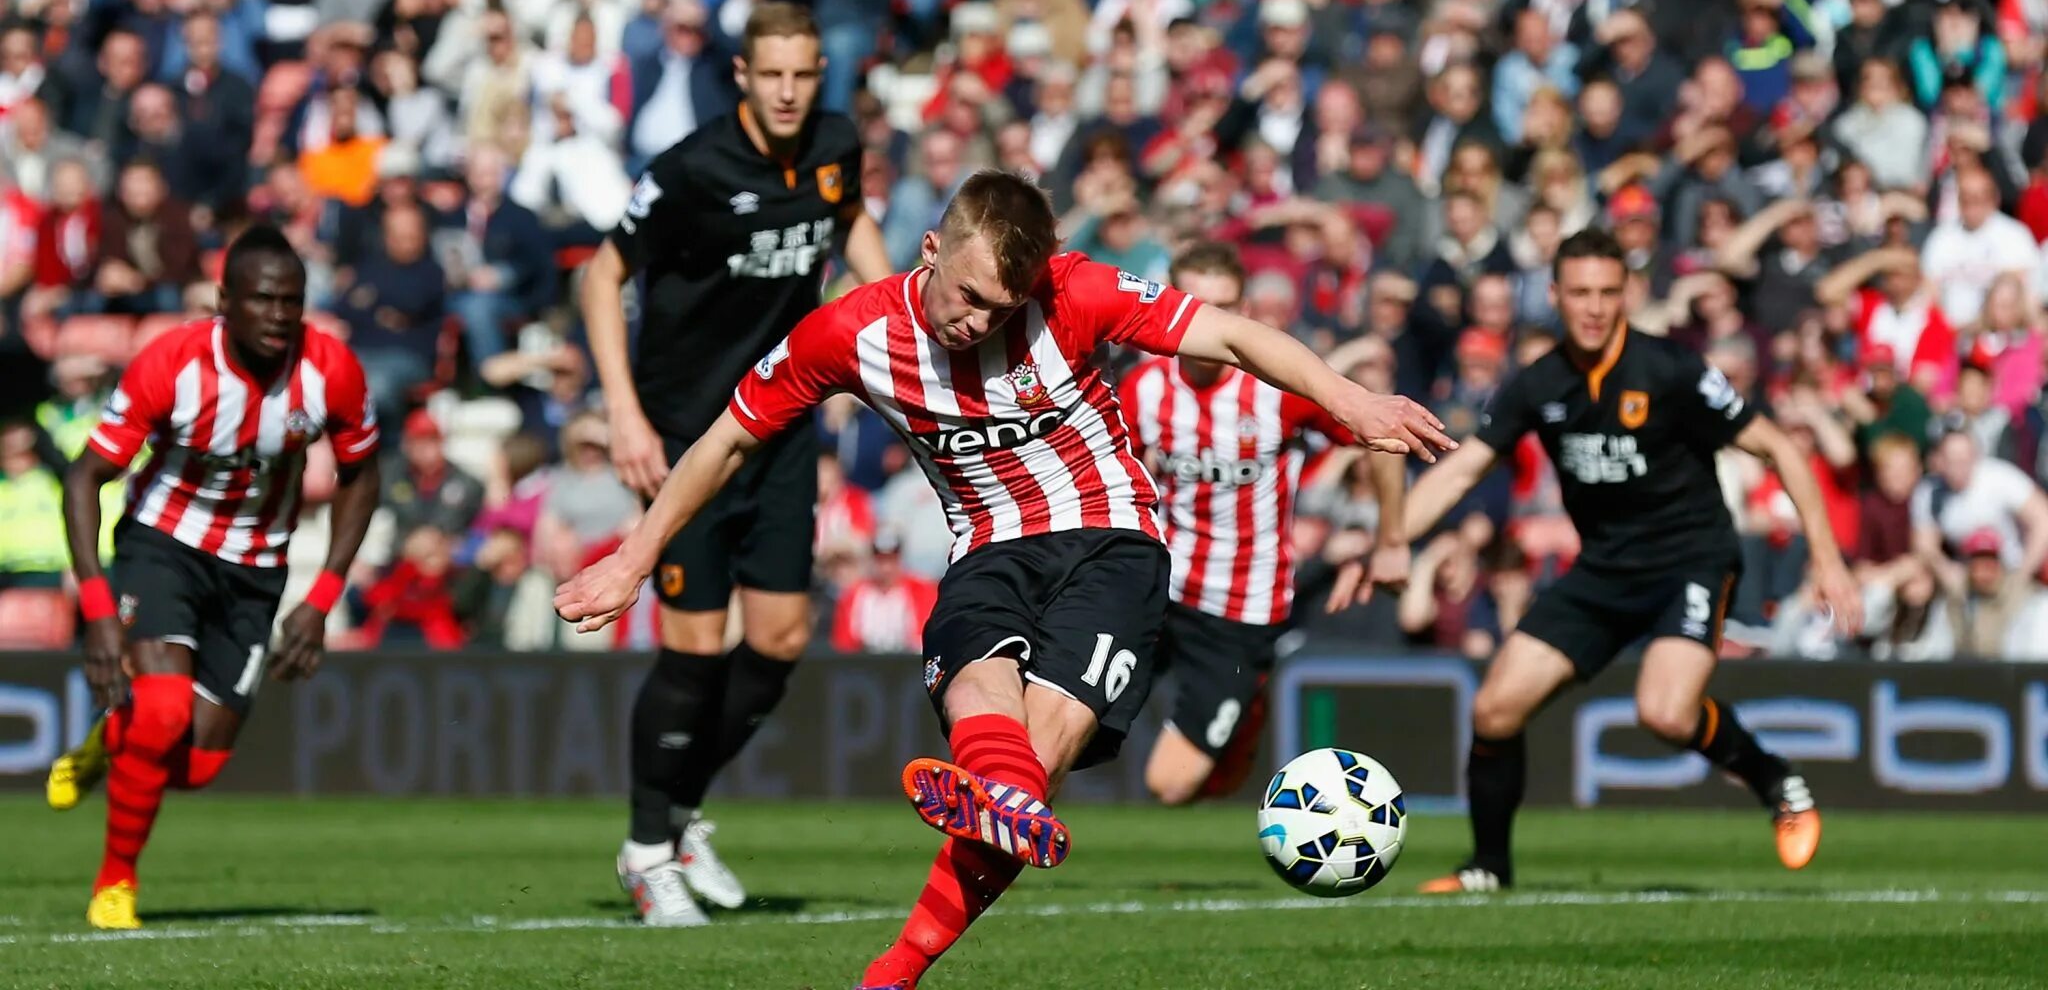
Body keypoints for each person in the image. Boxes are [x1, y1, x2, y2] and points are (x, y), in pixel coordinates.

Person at [554, 169, 1452, 988]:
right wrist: (634, 558)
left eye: (1003, 306)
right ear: (929, 250)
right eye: (970, 297)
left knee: (1040, 753)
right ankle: (994, 817)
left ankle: (901, 960)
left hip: (1111, 539)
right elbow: (729, 438)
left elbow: (1229, 333)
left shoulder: (1077, 290)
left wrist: (1349, 399)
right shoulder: (850, 332)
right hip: (985, 546)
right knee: (988, 714)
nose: (980, 321)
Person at [1335, 228, 1861, 894]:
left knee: (1665, 713)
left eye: (1608, 292)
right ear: (1554, 295)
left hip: (1688, 561)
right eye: (1579, 292)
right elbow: (1463, 470)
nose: (1593, 306)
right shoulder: (1541, 381)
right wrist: (1388, 539)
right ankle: (1488, 868)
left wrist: (1828, 558)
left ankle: (1773, 777)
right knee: (1495, 710)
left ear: (1628, 295)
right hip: (1604, 570)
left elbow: (1780, 448)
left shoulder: (1671, 369)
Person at [579, 1, 892, 927]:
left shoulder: (836, 144)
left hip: (783, 424)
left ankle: (677, 819)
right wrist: (624, 413)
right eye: (775, 75)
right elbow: (600, 276)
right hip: (686, 436)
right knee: (694, 645)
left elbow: (852, 227)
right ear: (745, 77)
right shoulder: (690, 169)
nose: (791, 92)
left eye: (806, 74)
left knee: (785, 639)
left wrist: (891, 313)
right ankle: (646, 847)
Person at [41, 226, 382, 929]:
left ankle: (112, 737)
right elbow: (84, 479)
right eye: (262, 299)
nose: (280, 315)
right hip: (163, 543)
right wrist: (100, 611)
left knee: (194, 768)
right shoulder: (171, 363)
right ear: (225, 300)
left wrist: (321, 598)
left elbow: (362, 476)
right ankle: (116, 886)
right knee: (162, 714)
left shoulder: (331, 370)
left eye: (292, 301)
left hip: (256, 567)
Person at [1118, 241, 1409, 806]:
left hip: (1242, 605)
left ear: (1244, 311)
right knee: (1072, 726)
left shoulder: (1277, 389)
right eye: (1195, 305)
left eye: (1223, 307)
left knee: (1169, 785)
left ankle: (1246, 711)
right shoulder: (1142, 389)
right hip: (1159, 590)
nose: (1208, 323)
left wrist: (1391, 538)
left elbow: (1381, 433)